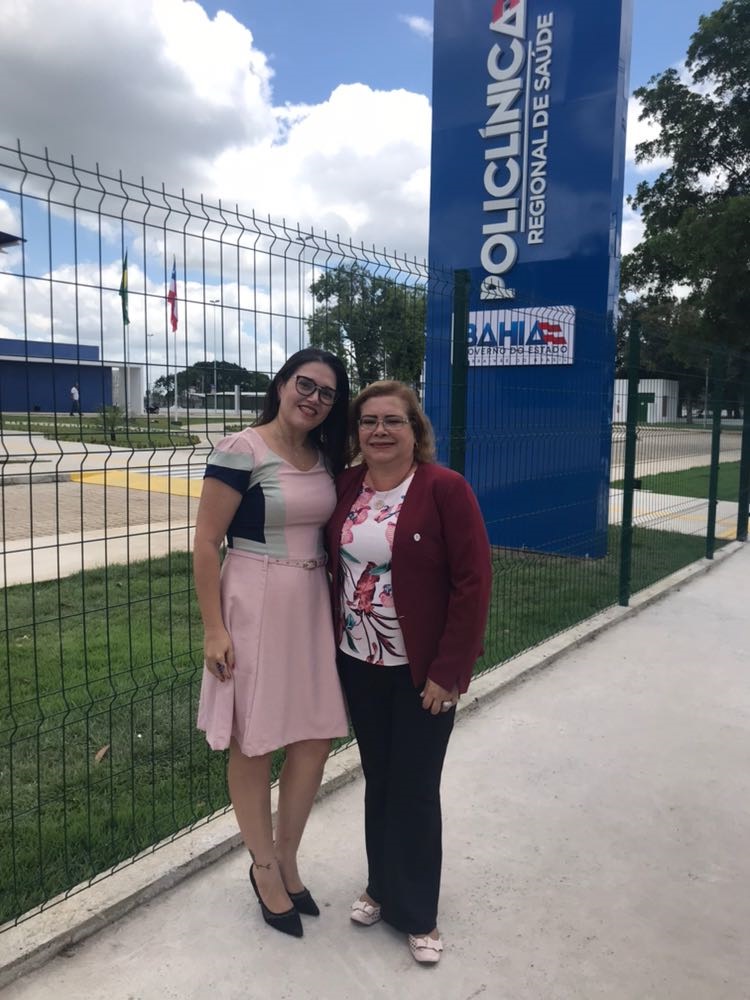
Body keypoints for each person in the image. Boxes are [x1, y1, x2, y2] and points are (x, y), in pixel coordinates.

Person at [326, 380, 492, 965]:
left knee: (416, 788)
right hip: (359, 663)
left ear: (415, 430)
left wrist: (449, 671)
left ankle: (418, 912)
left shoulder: (444, 488)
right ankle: (380, 886)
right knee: (381, 780)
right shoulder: (347, 486)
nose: (379, 431)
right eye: (368, 421)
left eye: (392, 420)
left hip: (421, 671)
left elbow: (473, 582)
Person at [194, 347, 350, 939]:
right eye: (305, 384)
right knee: (254, 739)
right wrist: (214, 628)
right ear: (282, 384)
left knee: (314, 735)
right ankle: (262, 866)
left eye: (327, 393)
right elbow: (206, 542)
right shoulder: (242, 449)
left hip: (310, 604)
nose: (314, 398)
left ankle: (287, 857)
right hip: (253, 601)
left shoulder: (325, 457)